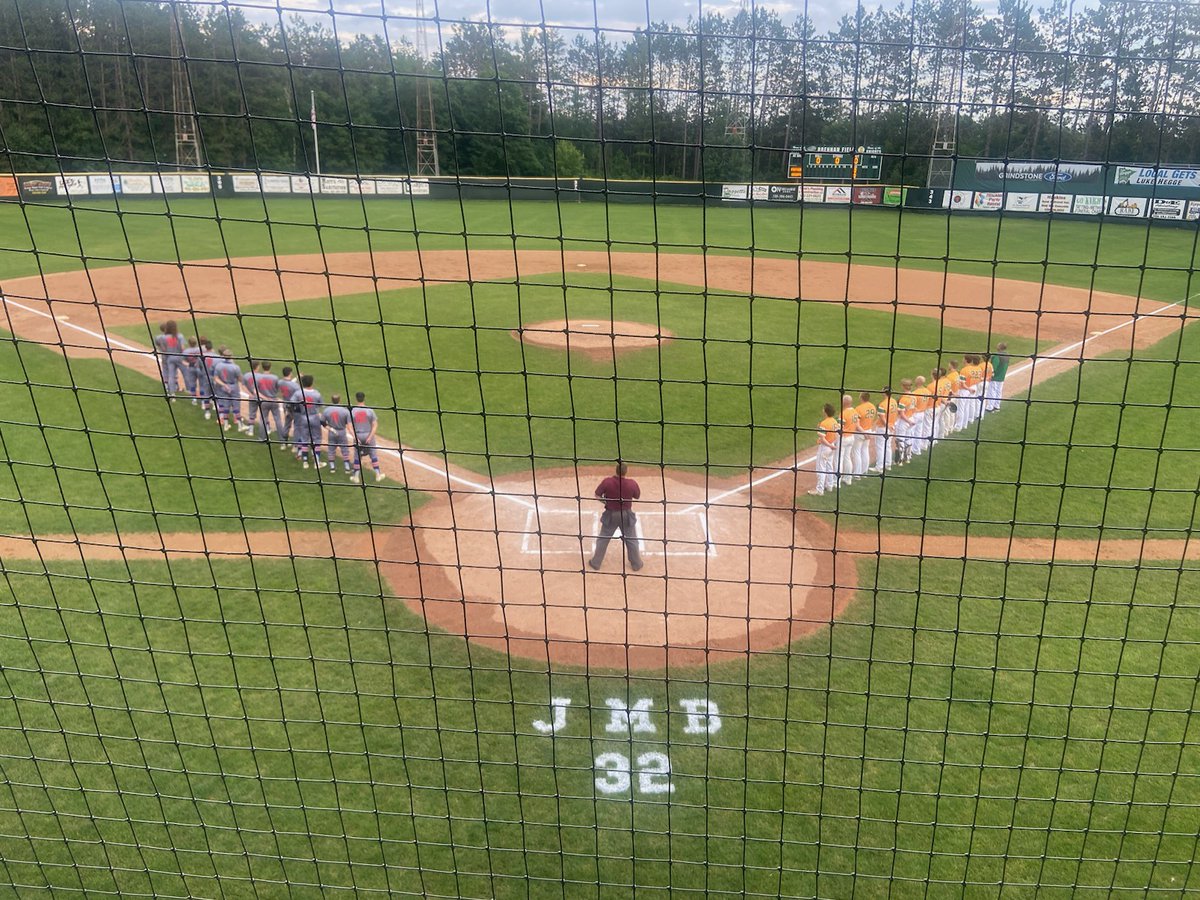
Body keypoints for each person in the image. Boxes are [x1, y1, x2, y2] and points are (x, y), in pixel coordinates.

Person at [588, 462, 643, 572]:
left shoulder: (607, 482)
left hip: (611, 515)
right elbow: (637, 496)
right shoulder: (632, 483)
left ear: (616, 470)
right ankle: (636, 564)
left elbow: (597, 495)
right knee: (631, 540)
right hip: (626, 516)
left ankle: (596, 563)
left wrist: (606, 502)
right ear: (626, 471)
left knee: (603, 539)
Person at [350, 392, 385, 483]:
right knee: (373, 454)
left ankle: (356, 477)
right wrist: (370, 437)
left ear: (356, 399)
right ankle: (378, 475)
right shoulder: (369, 410)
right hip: (368, 434)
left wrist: (355, 437)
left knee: (357, 456)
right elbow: (375, 425)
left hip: (358, 435)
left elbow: (349, 426)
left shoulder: (352, 411)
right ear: (364, 398)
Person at [808, 403, 840, 495]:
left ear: (825, 412)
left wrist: (830, 445)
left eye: (823, 409)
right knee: (829, 467)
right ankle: (829, 486)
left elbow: (822, 439)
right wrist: (833, 445)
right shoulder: (834, 421)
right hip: (831, 446)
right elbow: (837, 434)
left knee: (820, 468)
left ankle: (819, 490)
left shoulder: (824, 423)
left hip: (825, 447)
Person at [211, 348, 245, 432]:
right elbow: (240, 379)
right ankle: (240, 425)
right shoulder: (235, 367)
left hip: (223, 388)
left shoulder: (218, 365)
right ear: (231, 356)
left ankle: (226, 425)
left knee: (225, 405)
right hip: (233, 387)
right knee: (236, 406)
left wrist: (224, 385)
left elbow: (216, 378)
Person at [294, 374, 323, 468]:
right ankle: (317, 463)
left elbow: (291, 403)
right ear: (312, 382)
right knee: (316, 439)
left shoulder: (298, 393)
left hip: (303, 418)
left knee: (304, 439)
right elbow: (320, 404)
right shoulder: (317, 394)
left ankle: (305, 462)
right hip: (314, 417)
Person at [153, 320, 188, 400]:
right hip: (175, 357)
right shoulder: (179, 336)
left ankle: (167, 387)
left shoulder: (159, 337)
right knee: (174, 372)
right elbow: (182, 348)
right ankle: (176, 387)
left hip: (165, 356)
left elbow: (158, 344)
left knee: (166, 371)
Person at [321, 394, 354, 474]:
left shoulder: (326, 410)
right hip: (342, 432)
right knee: (345, 450)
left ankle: (332, 468)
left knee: (331, 450)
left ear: (332, 400)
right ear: (339, 400)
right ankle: (347, 468)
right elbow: (349, 424)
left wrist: (330, 429)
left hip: (332, 432)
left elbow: (322, 422)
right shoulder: (345, 411)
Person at [253, 361, 285, 441]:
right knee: (278, 420)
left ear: (262, 367)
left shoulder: (258, 377)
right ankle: (282, 439)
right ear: (270, 367)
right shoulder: (275, 377)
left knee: (263, 420)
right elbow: (279, 389)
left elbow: (255, 391)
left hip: (263, 402)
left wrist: (265, 397)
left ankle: (262, 438)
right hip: (274, 400)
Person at [873, 386, 899, 473]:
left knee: (880, 447)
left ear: (884, 393)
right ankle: (888, 464)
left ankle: (879, 466)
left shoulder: (883, 404)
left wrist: (887, 425)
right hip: (891, 426)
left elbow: (882, 417)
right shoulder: (894, 401)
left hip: (883, 428)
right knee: (888, 446)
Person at [838, 394, 860, 485]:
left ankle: (837, 481)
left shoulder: (843, 413)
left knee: (839, 459)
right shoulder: (855, 411)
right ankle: (848, 479)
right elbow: (857, 425)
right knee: (847, 458)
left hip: (844, 438)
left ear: (844, 402)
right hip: (851, 437)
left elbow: (840, 428)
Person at [277, 366, 301, 450]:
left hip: (285, 405)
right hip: (295, 407)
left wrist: (297, 378)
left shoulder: (280, 382)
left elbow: (288, 383)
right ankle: (295, 446)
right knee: (297, 425)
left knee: (287, 424)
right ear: (290, 373)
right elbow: (299, 394)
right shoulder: (295, 386)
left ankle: (283, 443)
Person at [854, 391, 877, 475]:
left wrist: (864, 433)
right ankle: (864, 472)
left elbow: (857, 425)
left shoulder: (858, 409)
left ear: (861, 398)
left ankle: (857, 473)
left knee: (856, 452)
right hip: (869, 430)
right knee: (865, 450)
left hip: (860, 432)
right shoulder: (873, 406)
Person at [986, 343, 1010, 411]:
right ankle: (997, 406)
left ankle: (990, 407)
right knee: (999, 391)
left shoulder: (997, 356)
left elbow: (993, 367)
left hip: (995, 377)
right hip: (1002, 377)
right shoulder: (1007, 355)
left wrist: (990, 375)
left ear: (1000, 347)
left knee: (992, 391)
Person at [181, 336, 203, 404]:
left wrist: (189, 364)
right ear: (196, 343)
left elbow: (183, 361)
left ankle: (194, 399)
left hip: (191, 368)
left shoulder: (186, 351)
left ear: (189, 343)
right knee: (202, 384)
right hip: (199, 368)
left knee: (192, 384)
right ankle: (203, 400)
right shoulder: (199, 350)